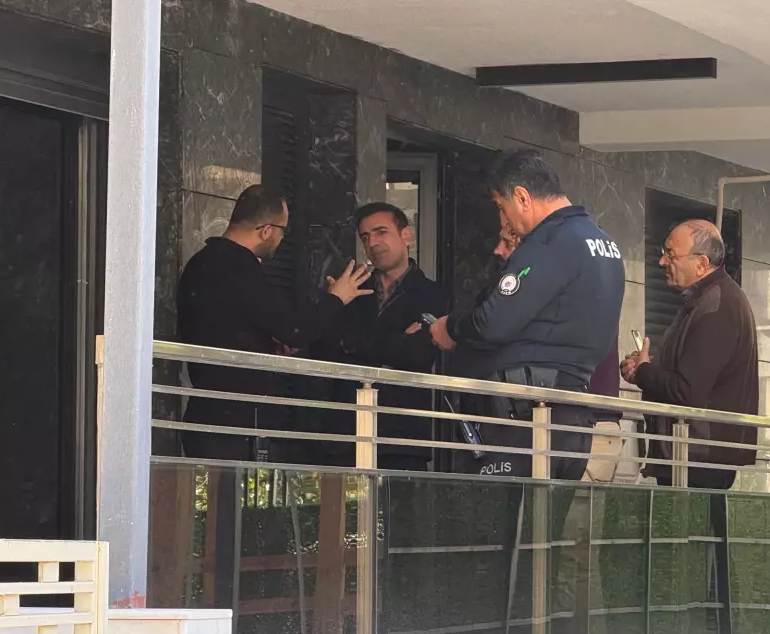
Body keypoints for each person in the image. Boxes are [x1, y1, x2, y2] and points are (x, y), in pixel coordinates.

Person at [429, 149, 625, 480]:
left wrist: (452, 327)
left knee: (505, 515)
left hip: (527, 417)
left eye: (500, 207)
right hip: (572, 413)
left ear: (521, 197)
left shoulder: (551, 241)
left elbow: (493, 322)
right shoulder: (602, 243)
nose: (503, 221)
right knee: (547, 515)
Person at [177, 184, 374, 461]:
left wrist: (267, 345)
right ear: (266, 230)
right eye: (283, 230)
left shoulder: (200, 263)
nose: (282, 239)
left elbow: (227, 325)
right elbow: (295, 331)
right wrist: (337, 298)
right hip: (235, 422)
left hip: (206, 413)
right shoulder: (240, 268)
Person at [620, 219, 759, 490]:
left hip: (697, 460)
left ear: (701, 263)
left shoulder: (718, 306)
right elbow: (692, 376)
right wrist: (645, 370)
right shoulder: (708, 301)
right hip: (691, 456)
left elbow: (687, 390)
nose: (662, 261)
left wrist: (646, 371)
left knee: (689, 520)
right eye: (663, 252)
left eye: (671, 254)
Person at [316, 202, 447, 470]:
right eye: (366, 237)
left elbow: (419, 355)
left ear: (406, 235)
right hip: (344, 432)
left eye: (381, 232)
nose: (373, 243)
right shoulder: (350, 290)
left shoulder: (433, 294)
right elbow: (330, 347)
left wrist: (357, 345)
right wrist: (397, 341)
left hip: (402, 435)